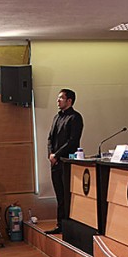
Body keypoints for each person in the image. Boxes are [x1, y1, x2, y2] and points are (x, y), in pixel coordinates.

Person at [46, 88, 84, 235]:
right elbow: (50, 138)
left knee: (68, 195)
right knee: (59, 196)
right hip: (55, 162)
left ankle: (70, 225)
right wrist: (51, 155)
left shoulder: (75, 117)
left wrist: (57, 155)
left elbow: (72, 141)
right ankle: (60, 224)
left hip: (67, 162)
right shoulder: (57, 117)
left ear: (69, 101)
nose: (58, 100)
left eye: (61, 98)